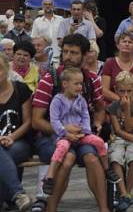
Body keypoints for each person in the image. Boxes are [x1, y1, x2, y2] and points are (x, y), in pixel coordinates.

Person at [32, 33, 115, 212]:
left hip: (82, 134)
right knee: (67, 158)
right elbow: (36, 120)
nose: (68, 56)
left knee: (91, 157)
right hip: (52, 136)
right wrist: (62, 129)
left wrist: (95, 125)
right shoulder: (50, 78)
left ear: (85, 55)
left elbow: (100, 107)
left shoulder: (91, 78)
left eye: (74, 53)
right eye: (66, 51)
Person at [42, 67, 117, 203]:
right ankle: (50, 177)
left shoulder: (81, 100)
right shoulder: (57, 101)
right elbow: (54, 121)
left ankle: (107, 169)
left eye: (81, 84)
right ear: (65, 84)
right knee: (62, 148)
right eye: (76, 84)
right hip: (64, 135)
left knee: (98, 142)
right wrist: (65, 133)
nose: (80, 87)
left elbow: (85, 116)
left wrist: (85, 132)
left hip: (81, 134)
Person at [107, 71, 133, 212]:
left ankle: (128, 193)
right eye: (122, 91)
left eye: (129, 91)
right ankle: (123, 193)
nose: (125, 95)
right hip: (120, 138)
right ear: (116, 90)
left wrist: (127, 108)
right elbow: (117, 131)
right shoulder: (113, 107)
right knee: (115, 158)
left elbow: (130, 127)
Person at [0, 53, 33, 212]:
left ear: (7, 68)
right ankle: (17, 194)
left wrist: (12, 137)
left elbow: (28, 122)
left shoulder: (20, 89)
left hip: (19, 141)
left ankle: (15, 194)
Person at [101, 32, 133, 101]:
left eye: (130, 42)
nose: (127, 44)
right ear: (117, 45)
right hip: (114, 104)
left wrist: (132, 98)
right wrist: (121, 100)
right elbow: (104, 90)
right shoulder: (109, 63)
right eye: (124, 41)